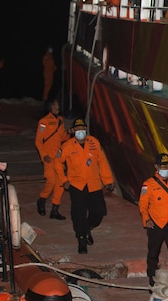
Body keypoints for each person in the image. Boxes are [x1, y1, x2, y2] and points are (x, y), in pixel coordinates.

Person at [56, 118, 115, 254]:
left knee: (99, 212)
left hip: (94, 184)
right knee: (78, 214)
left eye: (82, 129)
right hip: (77, 185)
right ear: (73, 131)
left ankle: (87, 228)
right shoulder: (67, 146)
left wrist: (108, 180)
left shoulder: (94, 143)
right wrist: (63, 180)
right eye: (77, 129)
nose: (80, 132)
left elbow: (102, 162)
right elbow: (57, 163)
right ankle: (81, 239)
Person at [139, 153, 168, 286]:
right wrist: (146, 219)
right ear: (156, 167)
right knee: (153, 253)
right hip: (156, 224)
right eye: (163, 167)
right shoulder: (148, 184)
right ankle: (152, 279)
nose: (166, 169)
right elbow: (143, 205)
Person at [35, 98, 70, 221]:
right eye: (55, 105)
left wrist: (69, 134)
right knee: (51, 181)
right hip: (49, 158)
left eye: (58, 105)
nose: (58, 107)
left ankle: (55, 209)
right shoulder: (43, 122)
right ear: (50, 107)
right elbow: (38, 141)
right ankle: (42, 200)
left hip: (59, 158)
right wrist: (44, 155)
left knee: (60, 183)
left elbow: (62, 137)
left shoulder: (60, 120)